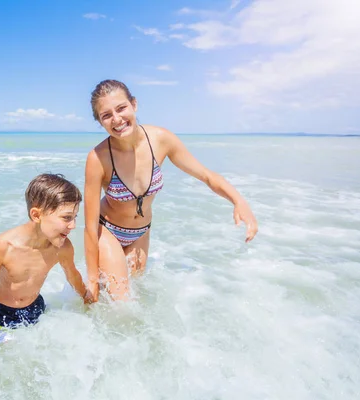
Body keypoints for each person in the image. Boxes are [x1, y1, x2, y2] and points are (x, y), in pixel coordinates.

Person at [84, 79, 258, 302]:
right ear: (100, 121)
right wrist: (91, 280)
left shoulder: (161, 140)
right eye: (106, 115)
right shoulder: (98, 158)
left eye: (121, 108)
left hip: (141, 232)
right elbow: (89, 227)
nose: (117, 119)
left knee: (138, 295)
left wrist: (238, 201)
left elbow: (206, 175)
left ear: (134, 104)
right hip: (108, 230)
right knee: (121, 306)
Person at [0, 173, 93, 371]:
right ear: (37, 215)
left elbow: (72, 275)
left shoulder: (61, 247)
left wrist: (87, 298)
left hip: (35, 311)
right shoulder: (3, 246)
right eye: (66, 218)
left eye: (74, 218)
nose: (73, 225)